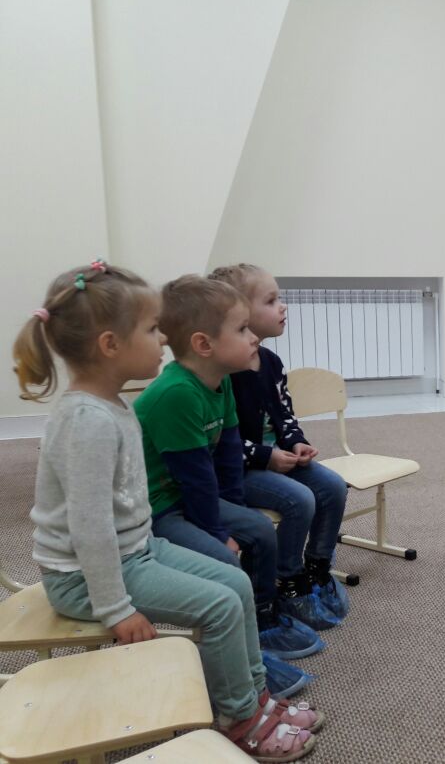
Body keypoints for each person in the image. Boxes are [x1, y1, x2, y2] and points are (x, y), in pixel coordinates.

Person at [15, 261, 322, 760]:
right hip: (86, 577)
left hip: (134, 549)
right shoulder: (87, 422)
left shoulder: (111, 405)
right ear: (110, 345)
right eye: (151, 329)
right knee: (220, 605)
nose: (163, 339)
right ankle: (240, 718)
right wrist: (116, 609)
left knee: (236, 582)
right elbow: (89, 527)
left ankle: (255, 697)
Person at [133, 275, 325, 697]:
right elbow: (195, 477)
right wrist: (219, 532)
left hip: (193, 494)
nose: (252, 336)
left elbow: (227, 455)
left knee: (259, 529)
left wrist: (236, 512)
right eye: (241, 329)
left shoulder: (220, 383)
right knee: (223, 559)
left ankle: (262, 620)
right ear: (204, 344)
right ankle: (241, 652)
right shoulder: (177, 394)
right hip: (160, 507)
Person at [209, 263, 349, 626]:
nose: (283, 306)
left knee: (333, 486)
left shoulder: (271, 362)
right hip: (237, 471)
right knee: (299, 499)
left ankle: (317, 568)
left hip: (277, 459)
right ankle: (288, 581)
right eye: (271, 301)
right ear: (239, 313)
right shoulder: (223, 372)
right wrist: (265, 456)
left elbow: (285, 414)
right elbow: (220, 441)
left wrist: (296, 442)